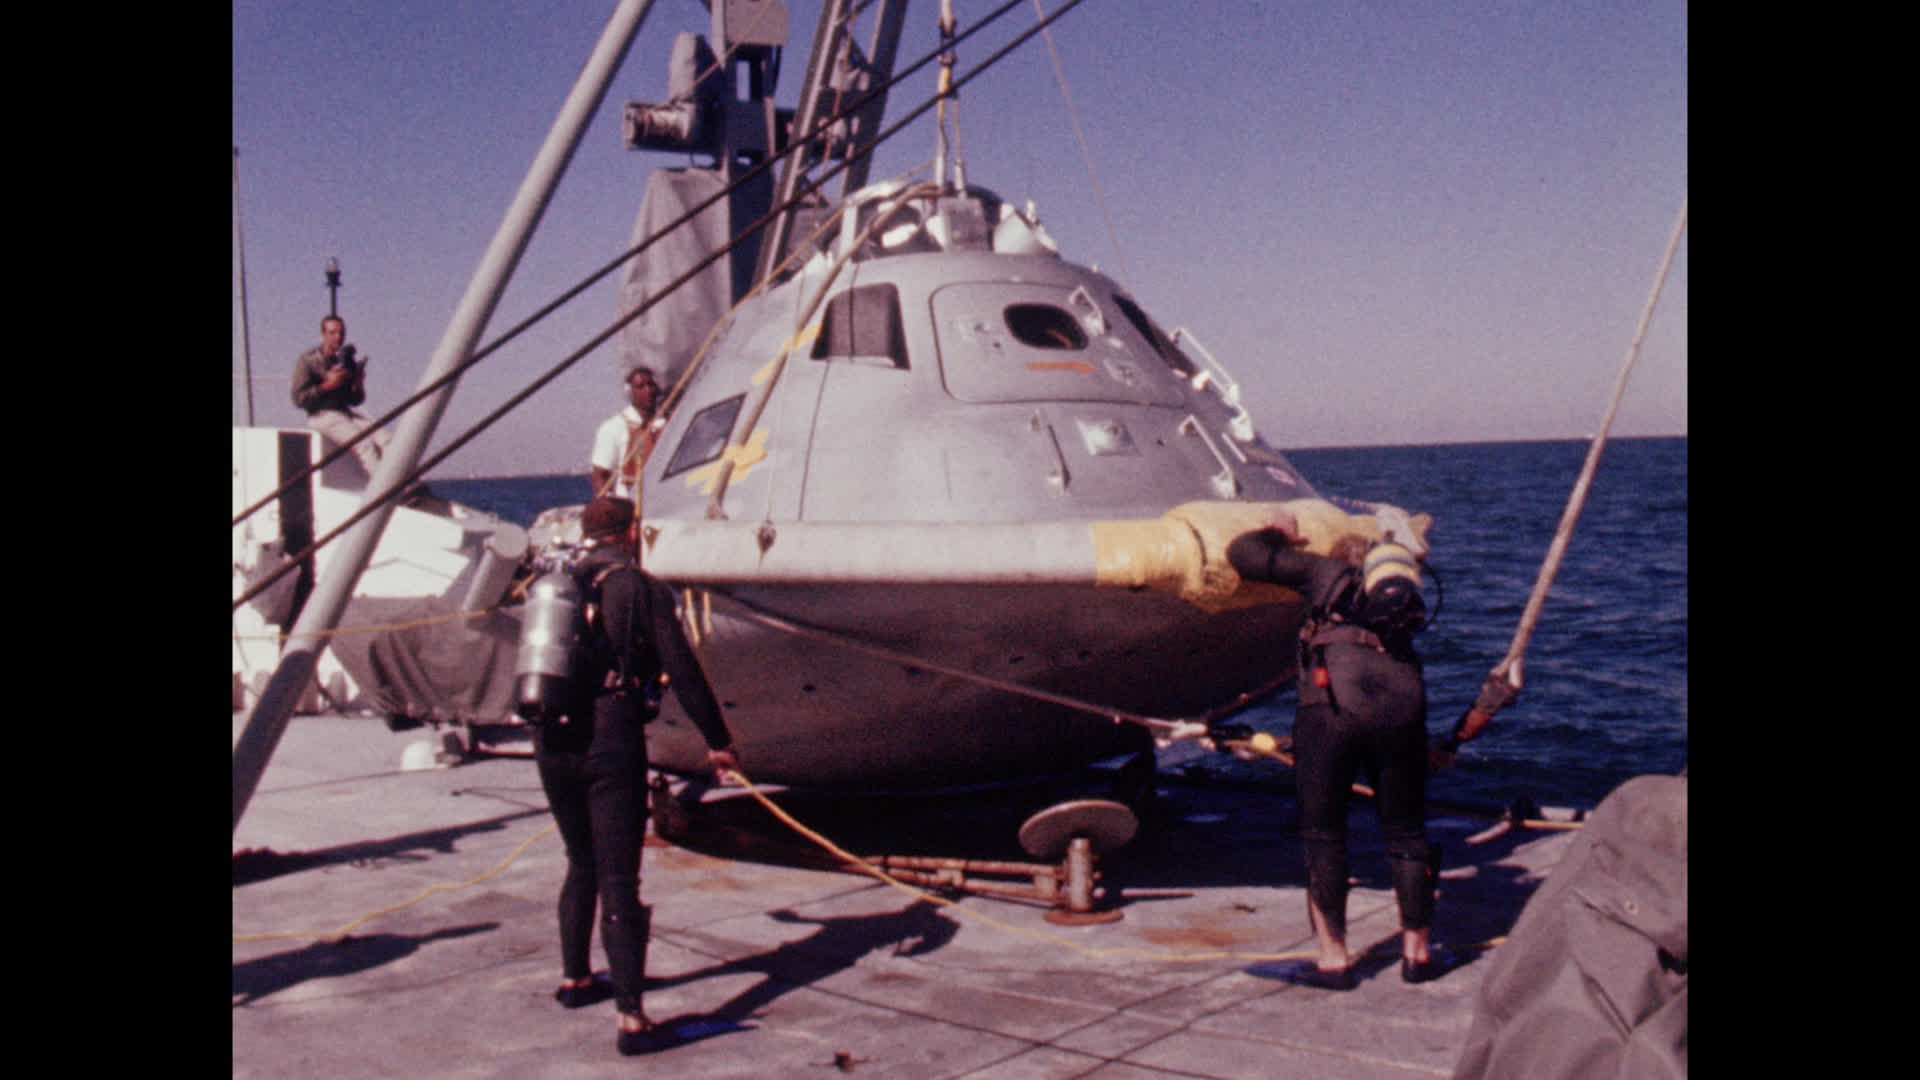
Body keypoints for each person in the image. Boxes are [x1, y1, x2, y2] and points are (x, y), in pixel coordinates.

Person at [533, 495, 740, 1055]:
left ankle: (576, 980)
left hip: (552, 742)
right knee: (620, 878)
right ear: (632, 533)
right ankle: (632, 1020)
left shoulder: (559, 584)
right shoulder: (639, 587)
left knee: (580, 860)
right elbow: (683, 668)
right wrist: (718, 741)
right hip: (610, 741)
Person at [1228, 511, 1445, 988]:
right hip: (1403, 707)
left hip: (1333, 708)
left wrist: (1279, 532)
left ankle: (1334, 962)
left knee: (1324, 835)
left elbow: (1243, 554)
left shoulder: (1325, 572)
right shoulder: (1395, 598)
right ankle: (1418, 957)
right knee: (1407, 832)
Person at [290, 315, 389, 479]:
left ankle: (407, 485)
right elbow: (298, 399)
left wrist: (358, 381)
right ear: (323, 335)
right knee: (364, 446)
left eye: (341, 333)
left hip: (344, 413)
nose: (338, 337)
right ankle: (384, 488)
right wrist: (328, 385)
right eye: (332, 333)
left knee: (386, 440)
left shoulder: (343, 360)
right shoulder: (308, 360)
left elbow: (355, 400)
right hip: (321, 415)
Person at [590, 366, 663, 499]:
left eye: (651, 385)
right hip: (630, 503)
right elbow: (600, 475)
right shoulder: (613, 427)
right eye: (640, 387)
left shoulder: (670, 422)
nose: (648, 391)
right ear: (630, 392)